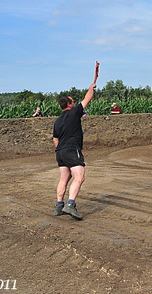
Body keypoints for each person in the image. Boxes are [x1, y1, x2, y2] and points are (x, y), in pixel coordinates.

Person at [52, 76, 96, 220]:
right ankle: (70, 205)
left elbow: (55, 139)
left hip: (60, 152)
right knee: (79, 177)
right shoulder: (74, 112)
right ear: (70, 105)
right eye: (73, 101)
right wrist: (91, 88)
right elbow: (87, 99)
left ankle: (59, 205)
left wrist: (60, 150)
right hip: (71, 149)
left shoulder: (57, 121)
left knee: (63, 179)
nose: (75, 103)